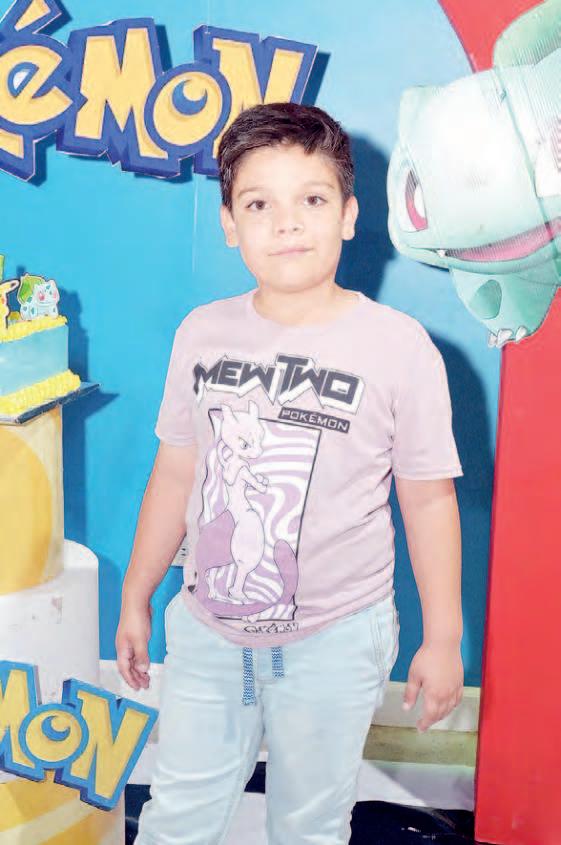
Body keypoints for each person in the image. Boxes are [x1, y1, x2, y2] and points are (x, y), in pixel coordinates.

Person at [118, 101, 464, 845]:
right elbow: (176, 471)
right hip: (208, 629)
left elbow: (428, 499)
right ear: (228, 223)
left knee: (309, 824)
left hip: (336, 636)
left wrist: (443, 636)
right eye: (258, 204)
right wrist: (136, 594)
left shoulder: (400, 347)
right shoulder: (203, 333)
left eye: (311, 199)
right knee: (177, 816)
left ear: (348, 214)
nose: (286, 224)